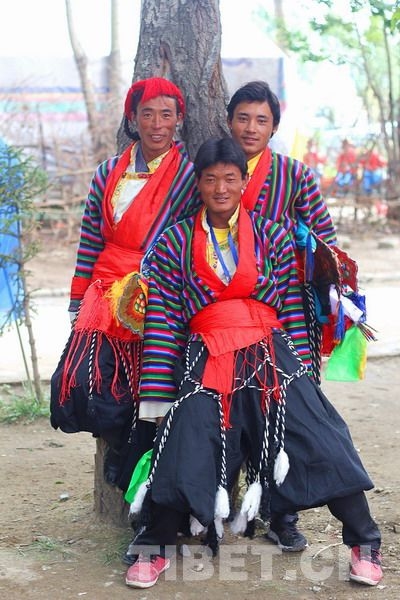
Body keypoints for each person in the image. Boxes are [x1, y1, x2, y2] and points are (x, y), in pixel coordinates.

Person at [124, 137, 382, 590]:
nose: (220, 187)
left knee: (321, 438)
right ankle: (152, 546)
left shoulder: (273, 236)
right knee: (184, 443)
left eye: (230, 177)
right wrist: (158, 394)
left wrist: (304, 374)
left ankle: (365, 543)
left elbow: (292, 313)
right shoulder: (173, 245)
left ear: (244, 182)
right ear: (198, 184)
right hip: (207, 358)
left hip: (271, 355)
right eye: (210, 179)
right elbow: (164, 323)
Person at [50, 77, 201, 489]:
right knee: (95, 381)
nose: (156, 124)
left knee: (151, 386)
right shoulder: (106, 173)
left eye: (166, 115)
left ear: (179, 120)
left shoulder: (189, 177)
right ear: (132, 119)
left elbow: (192, 239)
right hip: (104, 290)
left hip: (160, 293)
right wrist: (77, 298)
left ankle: (138, 461)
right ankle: (118, 447)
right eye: (147, 114)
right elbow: (90, 240)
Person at [226, 80, 338, 552]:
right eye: (243, 118)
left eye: (262, 120)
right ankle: (226, 503)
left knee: (287, 404)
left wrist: (291, 245)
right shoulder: (214, 170)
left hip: (287, 308)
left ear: (274, 126)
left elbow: (326, 244)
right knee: (231, 401)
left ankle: (283, 512)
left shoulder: (295, 175)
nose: (251, 128)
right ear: (228, 120)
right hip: (226, 308)